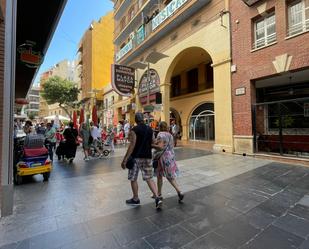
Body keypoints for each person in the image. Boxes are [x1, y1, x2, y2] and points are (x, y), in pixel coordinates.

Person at [121, 112, 162, 209]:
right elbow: (152, 142)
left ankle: (136, 199)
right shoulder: (150, 129)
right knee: (149, 178)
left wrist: (125, 159)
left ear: (135, 120)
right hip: (147, 156)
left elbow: (132, 145)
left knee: (133, 178)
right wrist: (158, 144)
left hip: (136, 157)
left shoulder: (134, 130)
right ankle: (157, 197)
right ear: (143, 119)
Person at [153, 121, 184, 202]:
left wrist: (152, 145)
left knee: (161, 176)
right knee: (168, 176)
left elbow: (159, 147)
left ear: (159, 127)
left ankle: (161, 194)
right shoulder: (170, 135)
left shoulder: (160, 134)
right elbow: (171, 145)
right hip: (170, 156)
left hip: (162, 157)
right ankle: (177, 191)